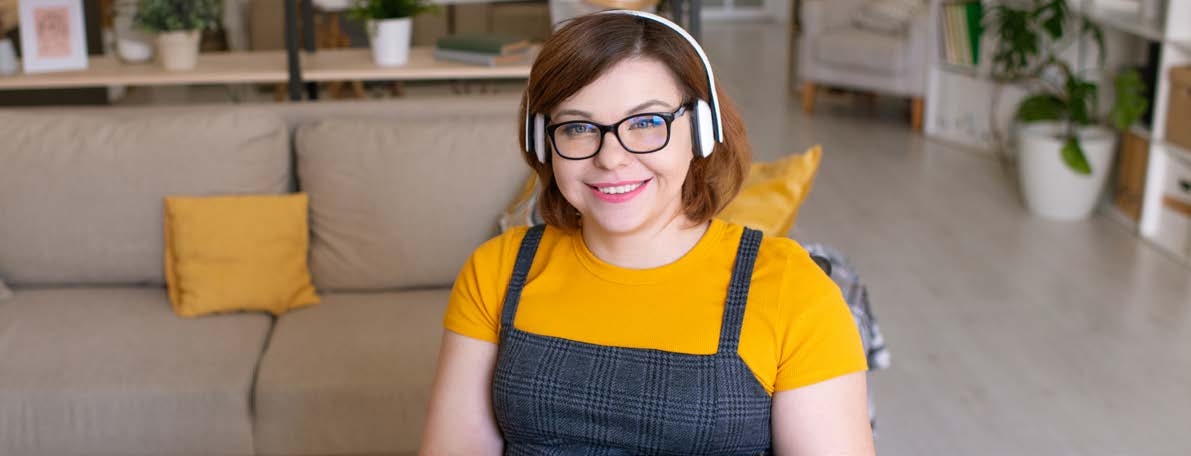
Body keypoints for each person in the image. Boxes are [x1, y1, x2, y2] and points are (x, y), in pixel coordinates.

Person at [420, 10, 874, 455]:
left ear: (701, 129)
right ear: (544, 142)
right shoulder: (497, 270)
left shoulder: (794, 290)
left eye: (645, 123)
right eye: (578, 127)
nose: (612, 157)